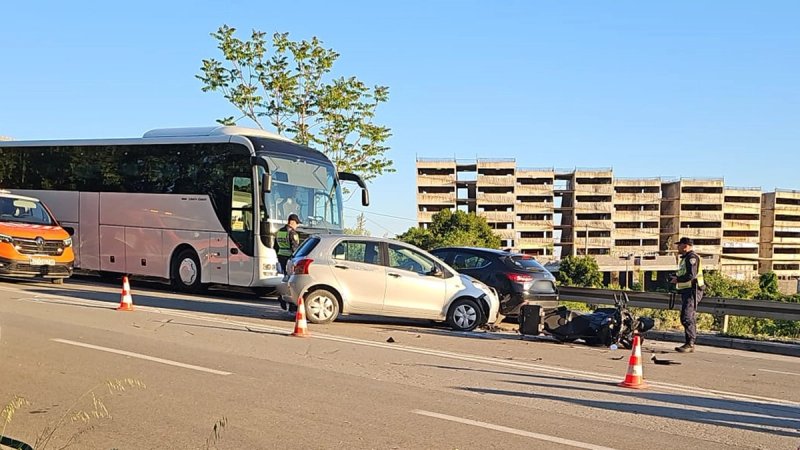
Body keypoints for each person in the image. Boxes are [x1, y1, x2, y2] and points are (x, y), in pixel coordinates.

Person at [669, 237, 705, 353]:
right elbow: (684, 273)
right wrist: (674, 276)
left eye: (679, 245)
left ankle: (690, 343)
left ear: (685, 246)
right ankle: (689, 343)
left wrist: (677, 279)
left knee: (687, 317)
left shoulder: (692, 258)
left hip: (693, 290)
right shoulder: (685, 259)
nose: (677, 247)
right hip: (687, 291)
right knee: (686, 317)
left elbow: (691, 275)